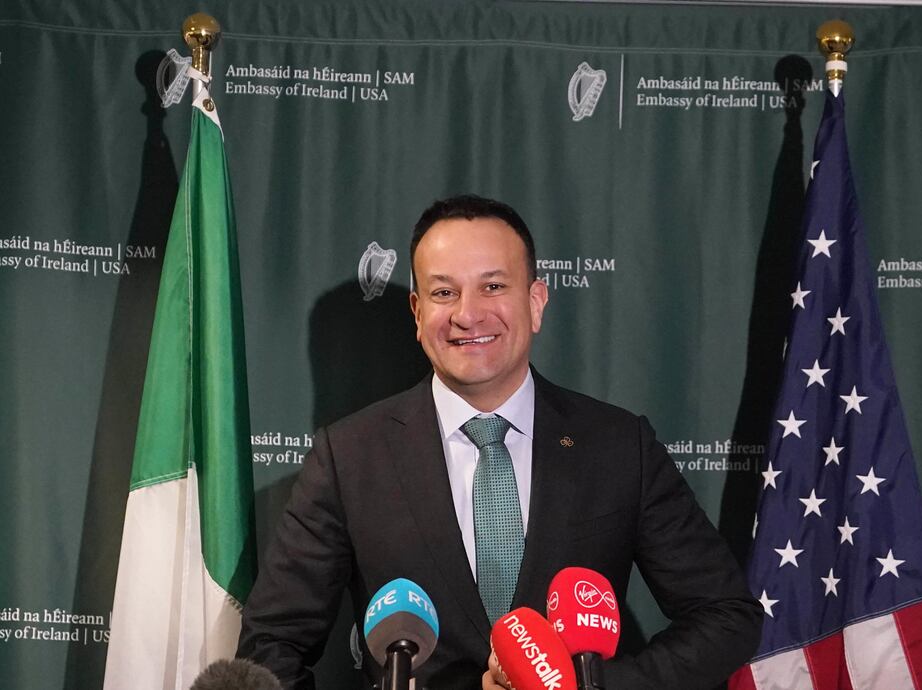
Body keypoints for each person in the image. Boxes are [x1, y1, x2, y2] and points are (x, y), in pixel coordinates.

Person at [238, 195, 762, 689]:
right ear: (418, 314)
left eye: (493, 287)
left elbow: (725, 616)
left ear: (535, 302)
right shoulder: (349, 455)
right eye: (444, 292)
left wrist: (586, 687)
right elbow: (272, 642)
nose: (468, 314)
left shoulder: (621, 445)